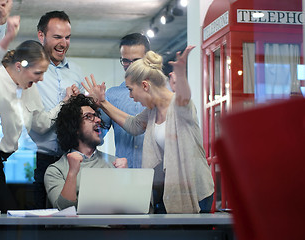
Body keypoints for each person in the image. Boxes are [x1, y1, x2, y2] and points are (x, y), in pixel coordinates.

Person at [83, 46, 214, 214]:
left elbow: (184, 98)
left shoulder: (179, 105)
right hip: (170, 192)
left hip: (195, 194)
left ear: (145, 85)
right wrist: (102, 102)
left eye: (131, 89)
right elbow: (133, 125)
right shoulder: (153, 111)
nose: (130, 96)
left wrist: (181, 77)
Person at [0, 16, 77, 213]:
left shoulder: (28, 89)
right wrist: (6, 33)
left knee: (25, 218)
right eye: (38, 73)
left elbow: (42, 124)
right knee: (9, 220)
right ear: (19, 66)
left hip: (15, 162)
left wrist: (64, 103)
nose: (41, 79)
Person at [44, 94, 127, 210]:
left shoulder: (115, 164)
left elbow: (131, 210)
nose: (98, 120)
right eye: (88, 117)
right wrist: (72, 172)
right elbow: (65, 212)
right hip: (79, 228)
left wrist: (125, 177)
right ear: (74, 128)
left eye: (96, 116)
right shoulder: (56, 170)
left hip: (110, 228)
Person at [100, 33, 148, 168]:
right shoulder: (111, 95)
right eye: (126, 60)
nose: (131, 66)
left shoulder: (164, 92)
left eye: (136, 60)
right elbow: (97, 135)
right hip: (124, 176)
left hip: (159, 178)